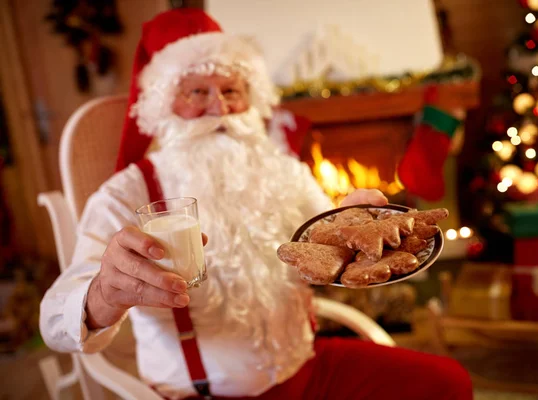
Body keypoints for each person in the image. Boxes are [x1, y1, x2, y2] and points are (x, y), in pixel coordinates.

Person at [40, 9, 472, 400]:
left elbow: (331, 246)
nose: (220, 109)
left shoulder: (283, 171)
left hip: (307, 370)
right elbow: (54, 324)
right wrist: (103, 294)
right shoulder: (126, 194)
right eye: (196, 92)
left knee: (446, 382)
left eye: (231, 90)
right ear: (162, 105)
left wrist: (355, 219)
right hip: (208, 394)